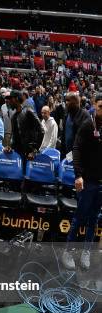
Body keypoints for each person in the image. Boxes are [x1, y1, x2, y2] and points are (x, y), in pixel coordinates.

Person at [60, 93, 102, 271]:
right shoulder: (87, 124)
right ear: (94, 105)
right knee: (80, 216)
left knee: (94, 219)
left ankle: (86, 252)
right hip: (88, 181)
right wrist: (78, 175)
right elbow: (76, 149)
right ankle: (68, 251)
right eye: (100, 106)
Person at [4, 90, 43, 162]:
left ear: (17, 99)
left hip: (30, 155)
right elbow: (14, 136)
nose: (9, 101)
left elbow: (41, 131)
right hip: (18, 154)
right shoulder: (13, 117)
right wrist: (9, 146)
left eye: (11, 99)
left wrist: (34, 151)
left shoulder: (29, 111)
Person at [64, 92, 90, 157]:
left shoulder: (85, 115)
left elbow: (87, 139)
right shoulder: (67, 115)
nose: (66, 103)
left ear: (76, 102)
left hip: (80, 155)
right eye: (66, 100)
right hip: (68, 153)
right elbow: (64, 136)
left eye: (68, 100)